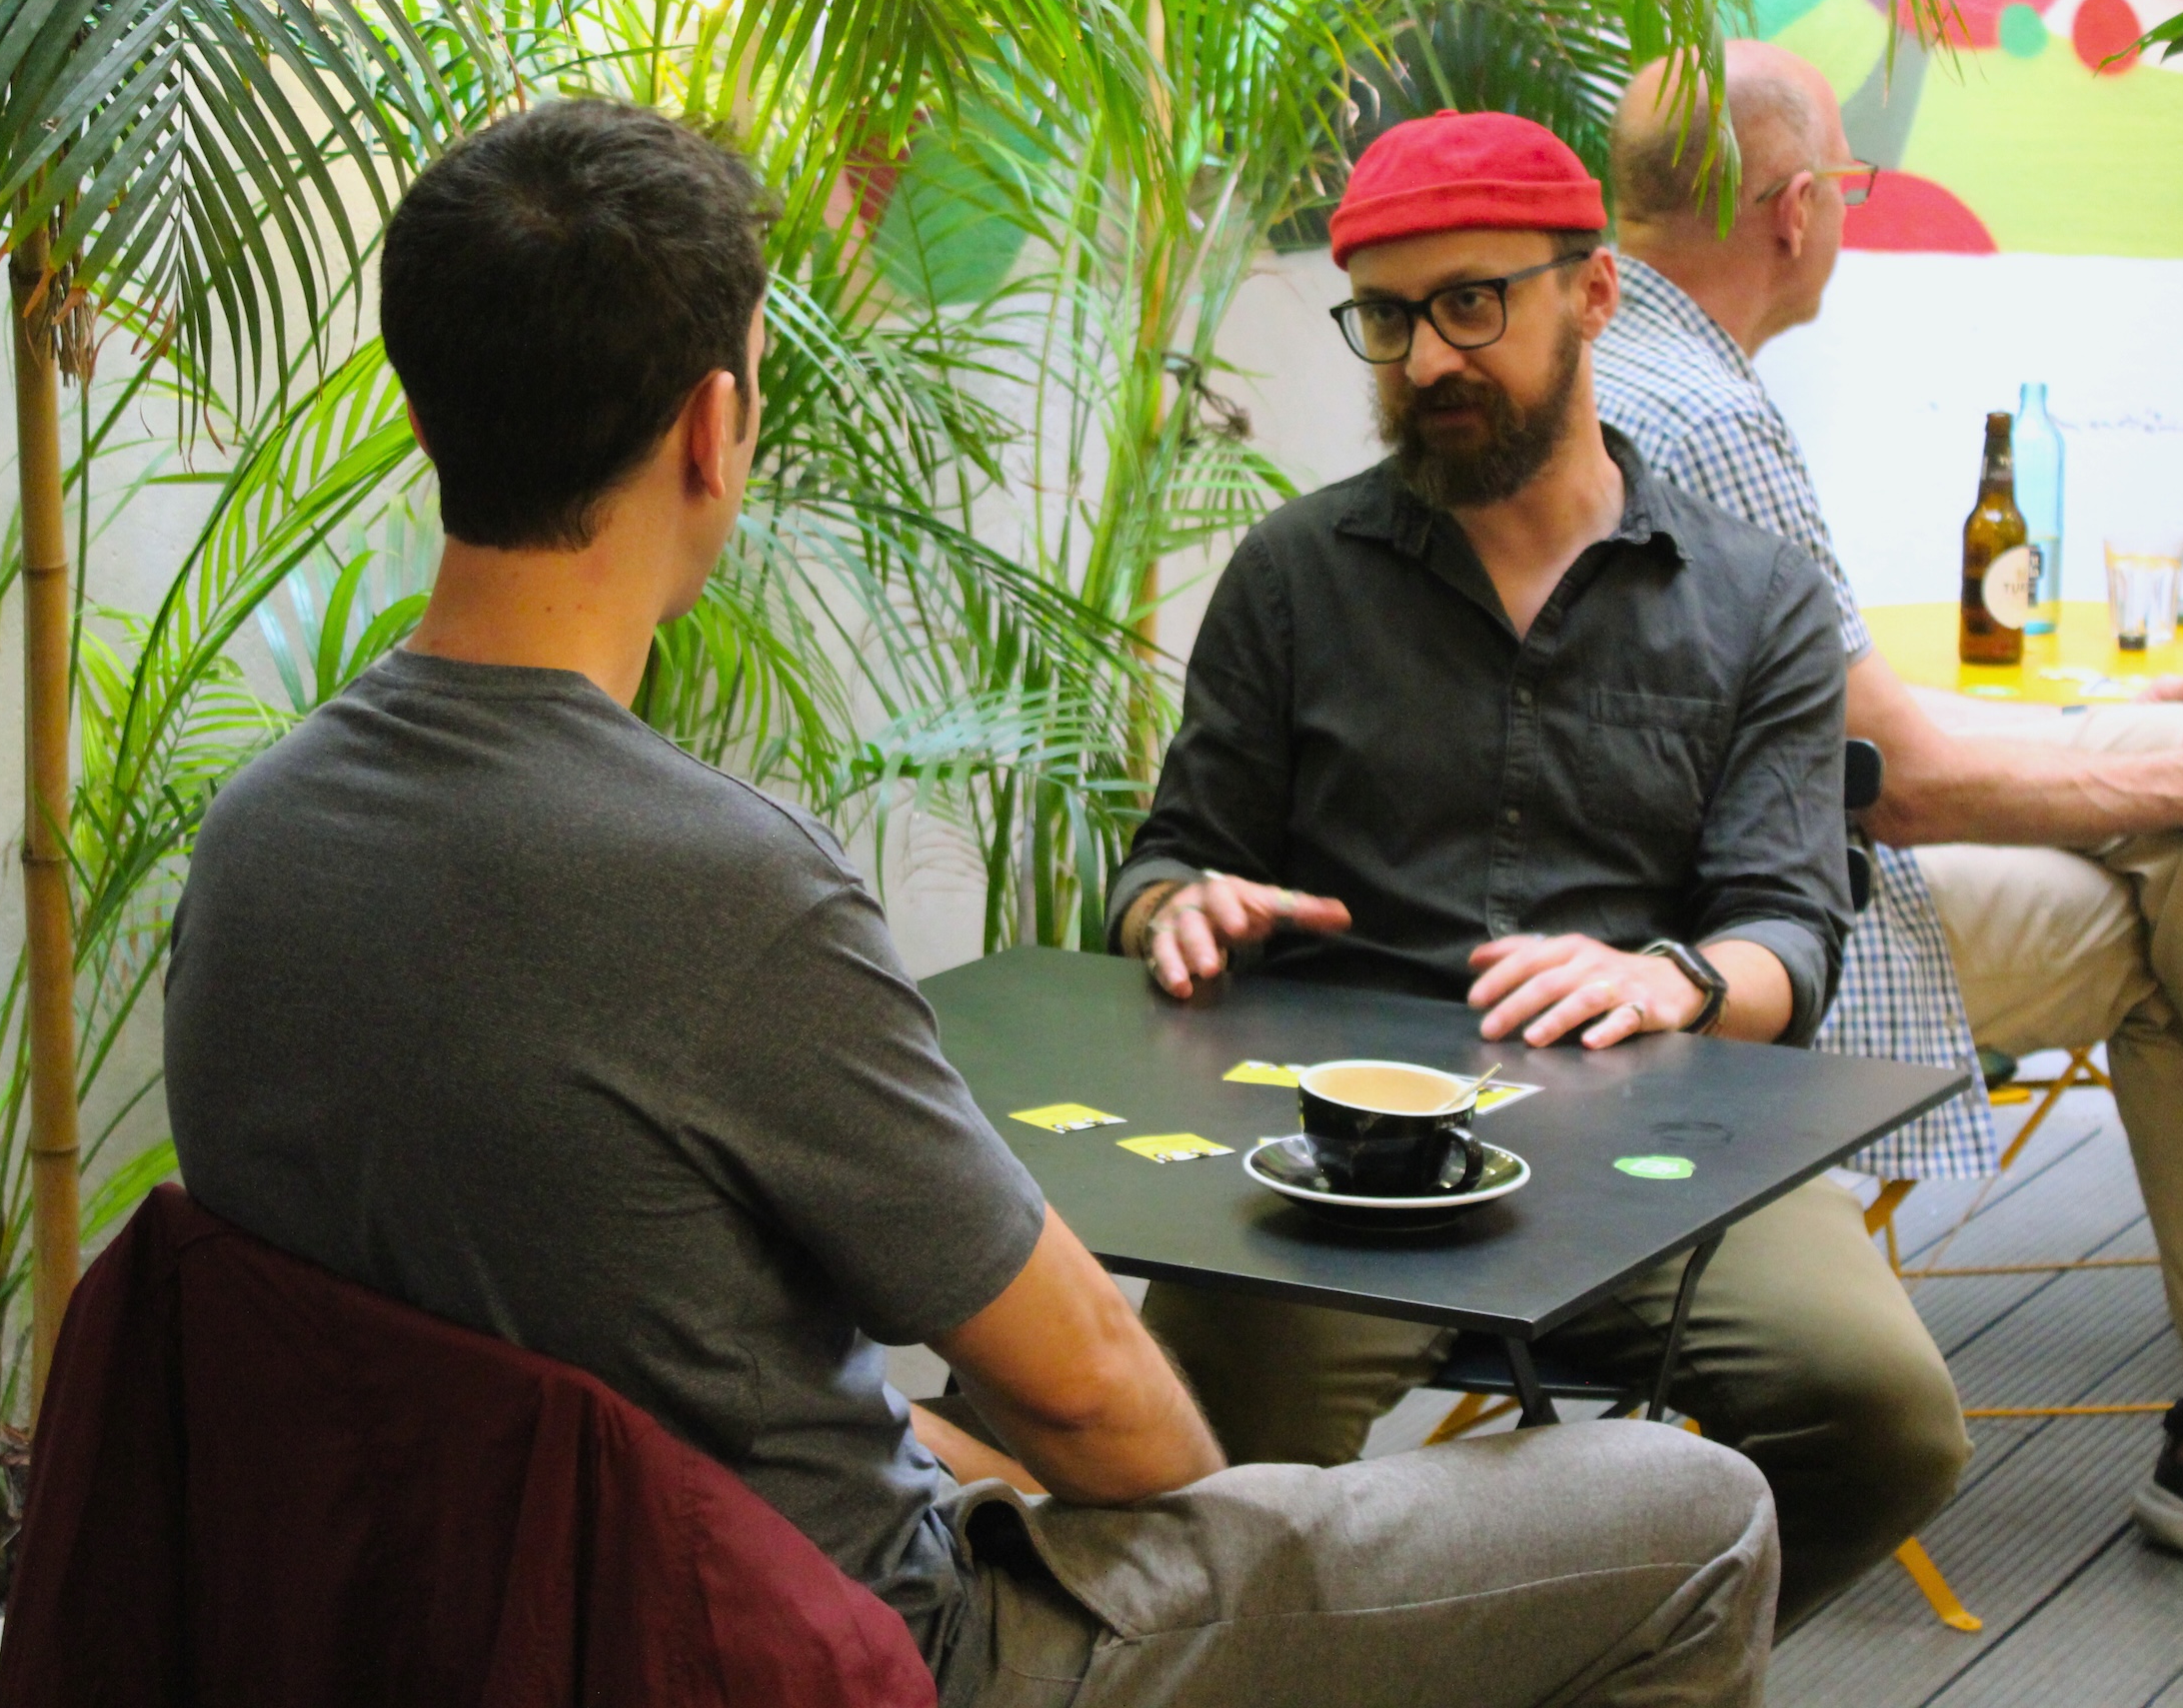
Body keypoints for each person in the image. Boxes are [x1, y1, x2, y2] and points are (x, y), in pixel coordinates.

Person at [162, 97, 1779, 1708]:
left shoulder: (254, 844)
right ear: (716, 430)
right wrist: (1268, 1599)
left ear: (428, 415)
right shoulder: (725, 886)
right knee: (1695, 1510)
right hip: (844, 1648)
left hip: (469, 1622)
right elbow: (1106, 1419)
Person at [1593, 40, 2183, 1562]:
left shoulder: (1626, 363)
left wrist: (2135, 733)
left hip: (1660, 905)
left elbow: (1846, 727)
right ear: (1793, 213)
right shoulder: (1716, 420)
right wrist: (2172, 768)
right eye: (1848, 184)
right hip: (1747, 940)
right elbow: (1892, 785)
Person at [1108, 106, 1961, 1627]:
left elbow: (1788, 932)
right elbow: (1173, 862)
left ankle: (1604, 1658)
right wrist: (1188, 910)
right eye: (1389, 316)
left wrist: (1672, 976)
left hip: (1663, 1133)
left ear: (1595, 292)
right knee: (1191, 1477)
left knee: (1887, 1420)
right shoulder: (1293, 578)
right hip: (1339, 1151)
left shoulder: (1753, 597)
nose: (1430, 355)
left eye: (1473, 302)